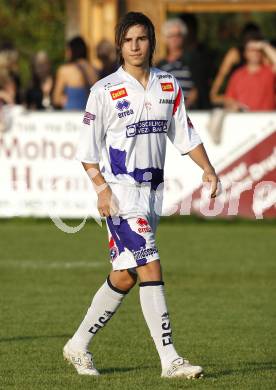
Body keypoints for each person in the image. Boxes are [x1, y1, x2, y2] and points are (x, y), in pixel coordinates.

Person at [63, 12, 219, 379]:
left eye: (142, 39)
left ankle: (77, 344)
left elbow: (186, 136)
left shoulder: (168, 85)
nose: (135, 46)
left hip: (152, 195)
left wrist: (208, 169)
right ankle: (171, 360)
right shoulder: (103, 90)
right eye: (128, 40)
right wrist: (101, 190)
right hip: (119, 195)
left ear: (152, 42)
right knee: (150, 264)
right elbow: (87, 152)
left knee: (125, 276)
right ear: (120, 45)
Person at [210, 22, 262, 106]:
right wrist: (231, 101)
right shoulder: (234, 55)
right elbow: (214, 94)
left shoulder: (263, 57)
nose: (254, 53)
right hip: (238, 103)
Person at [224, 37, 276, 111]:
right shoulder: (237, 75)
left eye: (258, 50)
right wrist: (234, 106)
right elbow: (229, 99)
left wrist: (264, 45)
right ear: (245, 53)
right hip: (244, 119)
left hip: (266, 119)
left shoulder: (269, 72)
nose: (255, 53)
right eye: (251, 50)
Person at [156, 18, 198, 109]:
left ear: (184, 37)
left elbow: (197, 89)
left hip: (189, 112)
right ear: (165, 39)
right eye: (171, 35)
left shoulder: (192, 61)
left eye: (178, 35)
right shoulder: (159, 66)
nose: (174, 38)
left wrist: (184, 107)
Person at [53, 36, 97, 110]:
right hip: (89, 115)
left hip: (71, 115)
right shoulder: (93, 70)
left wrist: (62, 99)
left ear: (72, 51)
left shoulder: (64, 71)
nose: (66, 54)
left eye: (67, 50)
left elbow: (56, 99)